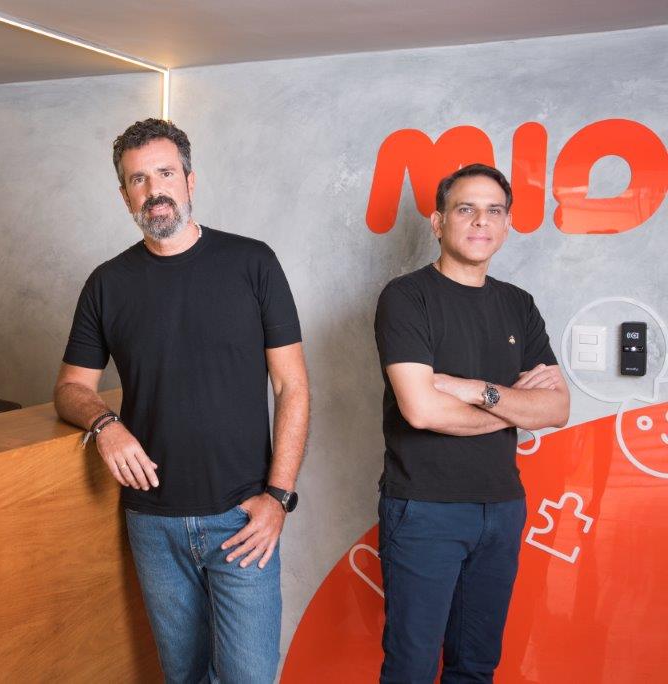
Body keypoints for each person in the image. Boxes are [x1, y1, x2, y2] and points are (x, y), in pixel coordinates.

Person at [53, 118, 310, 683]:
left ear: (190, 181)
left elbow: (292, 386)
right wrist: (105, 425)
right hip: (153, 524)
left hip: (243, 518)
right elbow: (71, 386)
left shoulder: (253, 263)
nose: (154, 190)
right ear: (125, 196)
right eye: (138, 179)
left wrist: (278, 497)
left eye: (165, 173)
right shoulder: (107, 284)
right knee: (182, 677)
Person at [373, 163, 570, 683]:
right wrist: (513, 408)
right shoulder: (406, 297)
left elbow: (556, 410)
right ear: (438, 222)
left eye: (494, 211)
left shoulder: (518, 304)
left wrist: (474, 389)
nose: (481, 221)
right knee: (412, 669)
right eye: (466, 209)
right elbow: (421, 410)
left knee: (477, 667)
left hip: (502, 509)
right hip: (424, 511)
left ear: (507, 224)